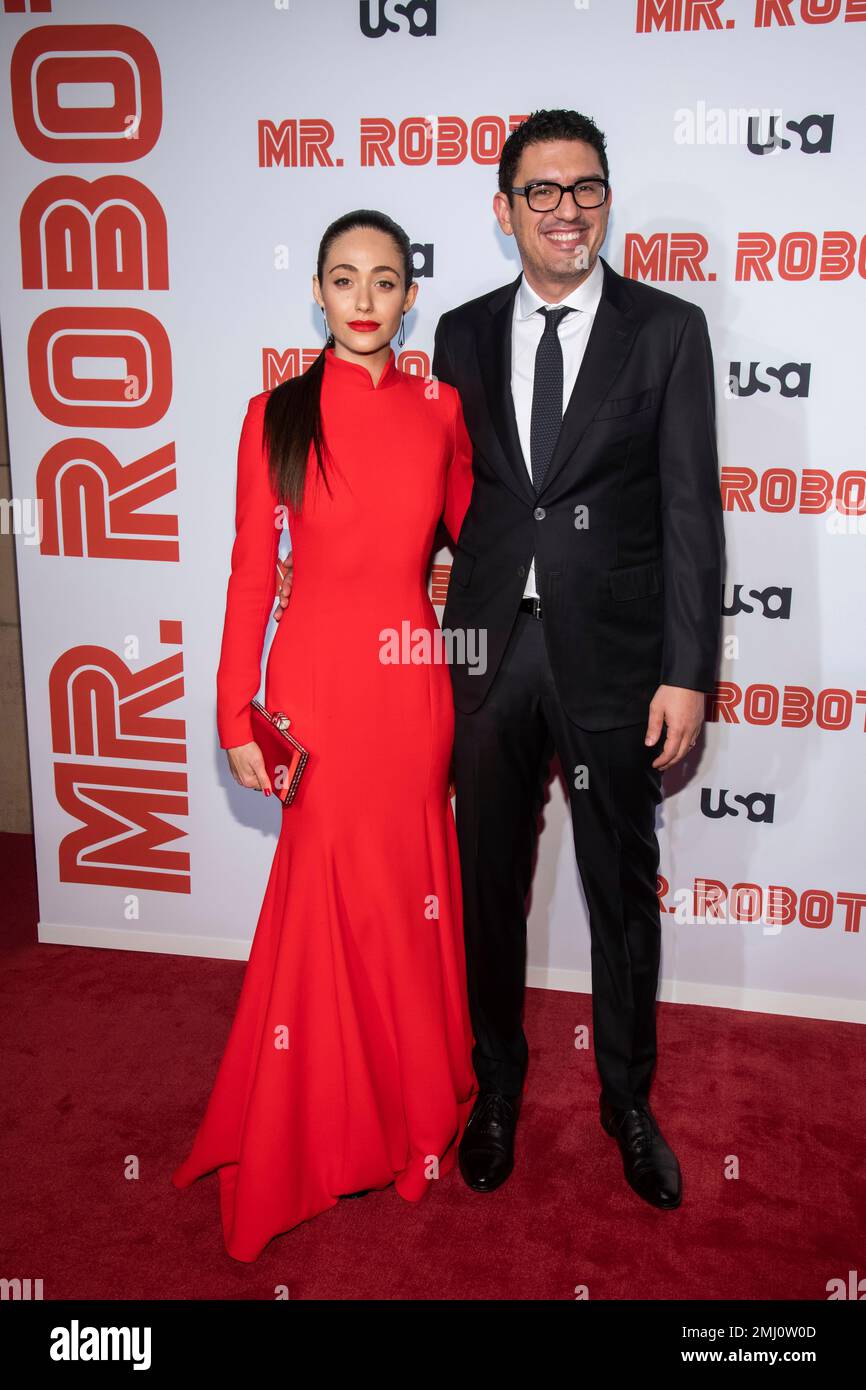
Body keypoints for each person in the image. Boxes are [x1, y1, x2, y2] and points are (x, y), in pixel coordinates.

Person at [275, 109, 726, 1214]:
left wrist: (686, 670)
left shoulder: (666, 330)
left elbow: (687, 511)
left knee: (621, 893)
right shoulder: (463, 338)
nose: (563, 209)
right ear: (502, 210)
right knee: (481, 891)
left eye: (583, 188)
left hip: (618, 661)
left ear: (604, 200)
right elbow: (412, 505)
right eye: (540, 191)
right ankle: (493, 1090)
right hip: (480, 657)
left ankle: (627, 1100)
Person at [171, 209, 478, 1262]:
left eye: (383, 280)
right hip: (311, 689)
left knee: (402, 889)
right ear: (315, 289)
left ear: (406, 296)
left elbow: (465, 539)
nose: (362, 298)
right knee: (327, 890)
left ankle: (406, 1117)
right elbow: (251, 575)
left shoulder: (443, 410)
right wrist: (232, 713)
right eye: (342, 279)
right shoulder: (274, 415)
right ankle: (326, 1119)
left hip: (408, 687)